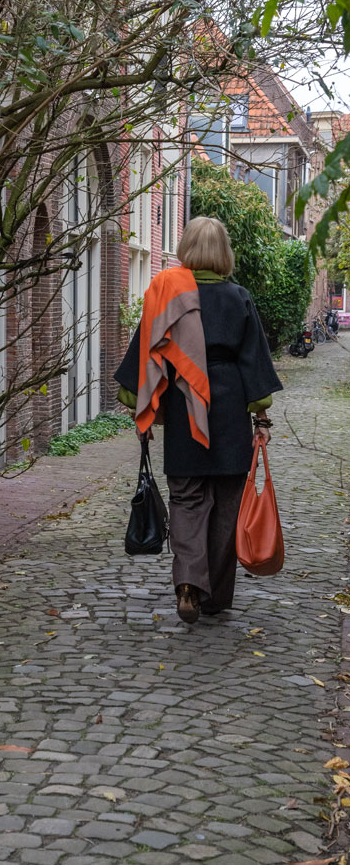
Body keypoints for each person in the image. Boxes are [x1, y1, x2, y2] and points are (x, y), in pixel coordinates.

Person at [114, 216, 282, 623]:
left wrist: (142, 407)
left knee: (187, 499)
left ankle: (188, 584)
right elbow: (254, 371)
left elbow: (143, 358)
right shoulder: (239, 297)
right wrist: (259, 414)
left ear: (186, 250)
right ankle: (216, 598)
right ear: (225, 253)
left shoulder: (167, 293)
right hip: (228, 413)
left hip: (183, 410)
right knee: (227, 508)